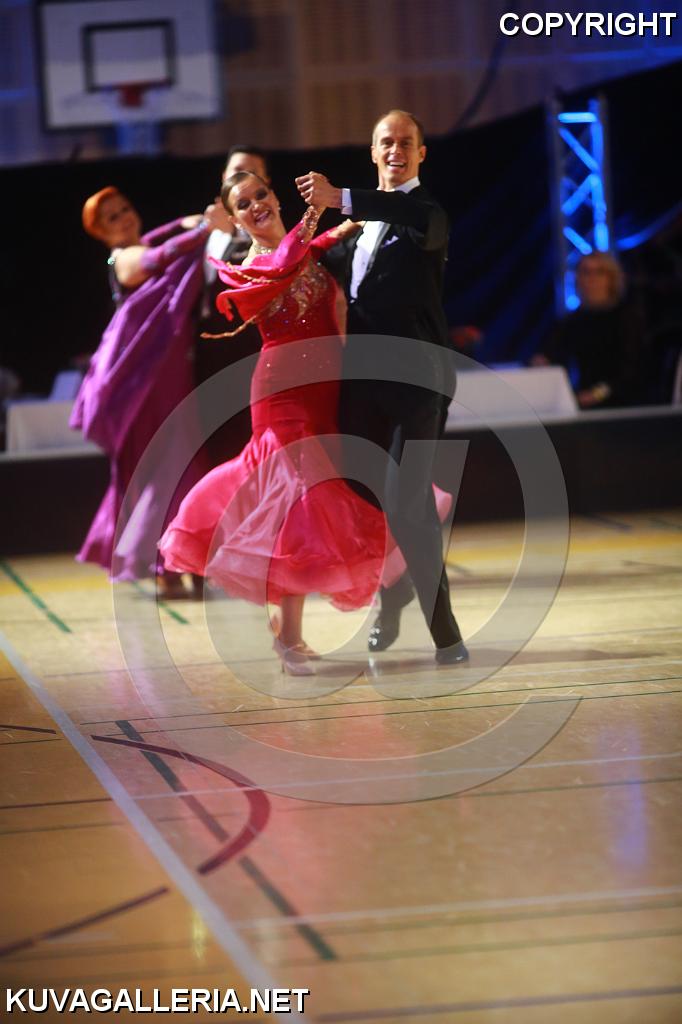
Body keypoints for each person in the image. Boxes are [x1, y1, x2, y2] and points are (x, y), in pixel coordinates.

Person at [159, 171, 416, 675]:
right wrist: (318, 210)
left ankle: (289, 633)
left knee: (302, 508)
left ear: (275, 197)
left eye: (261, 194)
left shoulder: (305, 250)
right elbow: (287, 260)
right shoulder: (252, 267)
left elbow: (312, 248)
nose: (256, 205)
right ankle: (290, 640)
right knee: (298, 503)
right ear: (235, 220)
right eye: (243, 204)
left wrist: (352, 220)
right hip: (283, 395)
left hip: (324, 393)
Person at [295, 109, 468, 665]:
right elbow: (306, 267)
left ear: (421, 154)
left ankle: (445, 633)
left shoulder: (427, 214)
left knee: (406, 503)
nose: (396, 150)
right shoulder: (354, 229)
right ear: (373, 152)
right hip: (362, 385)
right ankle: (394, 598)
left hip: (418, 383)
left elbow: (403, 210)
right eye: (386, 142)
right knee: (367, 503)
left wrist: (340, 196)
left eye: (406, 142)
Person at [72, 187, 223, 596]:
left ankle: (185, 560)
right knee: (163, 469)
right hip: (140, 386)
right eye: (112, 217)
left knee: (183, 465)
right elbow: (156, 257)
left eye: (125, 208)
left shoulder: (142, 242)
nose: (124, 217)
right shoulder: (123, 258)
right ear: (102, 234)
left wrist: (190, 221)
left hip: (167, 377)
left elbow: (161, 237)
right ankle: (167, 564)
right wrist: (204, 228)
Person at [195, 146, 272, 464]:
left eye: (252, 173)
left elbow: (251, 276)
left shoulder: (270, 233)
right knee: (219, 454)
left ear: (266, 183)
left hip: (254, 357)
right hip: (210, 364)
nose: (243, 179)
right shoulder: (201, 233)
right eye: (237, 171)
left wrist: (228, 236)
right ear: (223, 176)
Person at [532, 251, 641, 408]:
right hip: (582, 401)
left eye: (599, 272)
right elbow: (552, 351)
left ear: (611, 278)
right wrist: (542, 361)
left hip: (622, 403)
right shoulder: (573, 320)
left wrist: (598, 393)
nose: (591, 279)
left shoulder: (627, 316)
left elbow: (632, 370)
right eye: (585, 272)